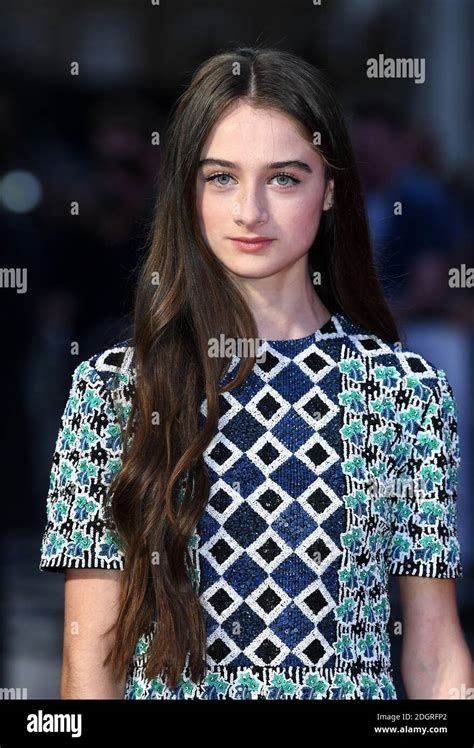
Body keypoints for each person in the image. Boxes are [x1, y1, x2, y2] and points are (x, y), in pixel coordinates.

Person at [38, 45, 471, 700]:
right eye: (221, 177)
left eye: (284, 178)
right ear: (187, 190)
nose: (250, 211)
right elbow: (89, 664)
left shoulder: (405, 392)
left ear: (330, 189)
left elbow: (436, 653)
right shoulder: (114, 391)